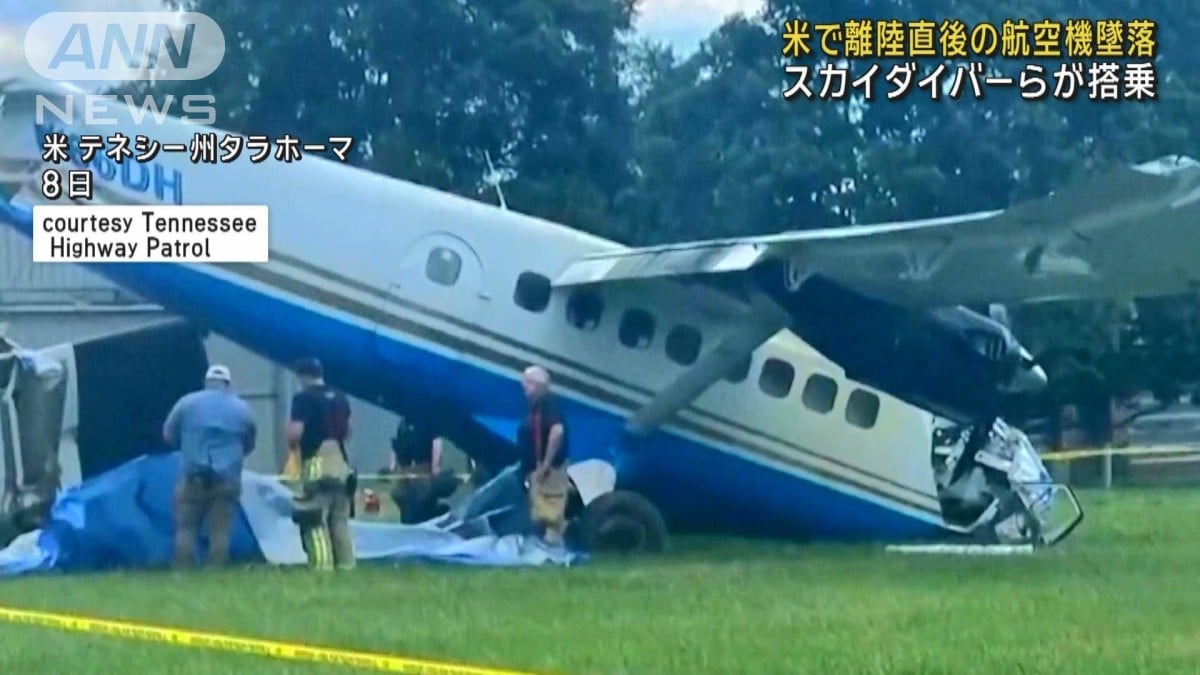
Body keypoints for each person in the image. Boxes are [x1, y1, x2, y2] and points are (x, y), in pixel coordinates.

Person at [162, 364, 256, 569]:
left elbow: (168, 435)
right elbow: (249, 441)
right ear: (228, 384)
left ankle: (182, 571)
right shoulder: (241, 408)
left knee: (186, 527)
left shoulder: (186, 403)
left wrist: (187, 447)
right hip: (227, 478)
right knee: (220, 529)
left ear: (206, 382)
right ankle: (215, 571)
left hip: (192, 476)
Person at [286, 357, 356, 571]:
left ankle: (321, 567)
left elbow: (295, 433)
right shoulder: (341, 396)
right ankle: (346, 566)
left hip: (316, 462)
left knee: (313, 518)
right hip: (341, 463)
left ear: (302, 376)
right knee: (340, 519)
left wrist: (290, 443)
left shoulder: (303, 398)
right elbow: (349, 430)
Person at [516, 365, 570, 545]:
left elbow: (557, 432)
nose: (523, 386)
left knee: (550, 514)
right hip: (539, 470)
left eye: (527, 382)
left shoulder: (548, 403)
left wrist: (545, 465)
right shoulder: (537, 406)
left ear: (539, 384)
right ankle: (549, 545)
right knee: (541, 512)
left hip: (549, 470)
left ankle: (552, 550)